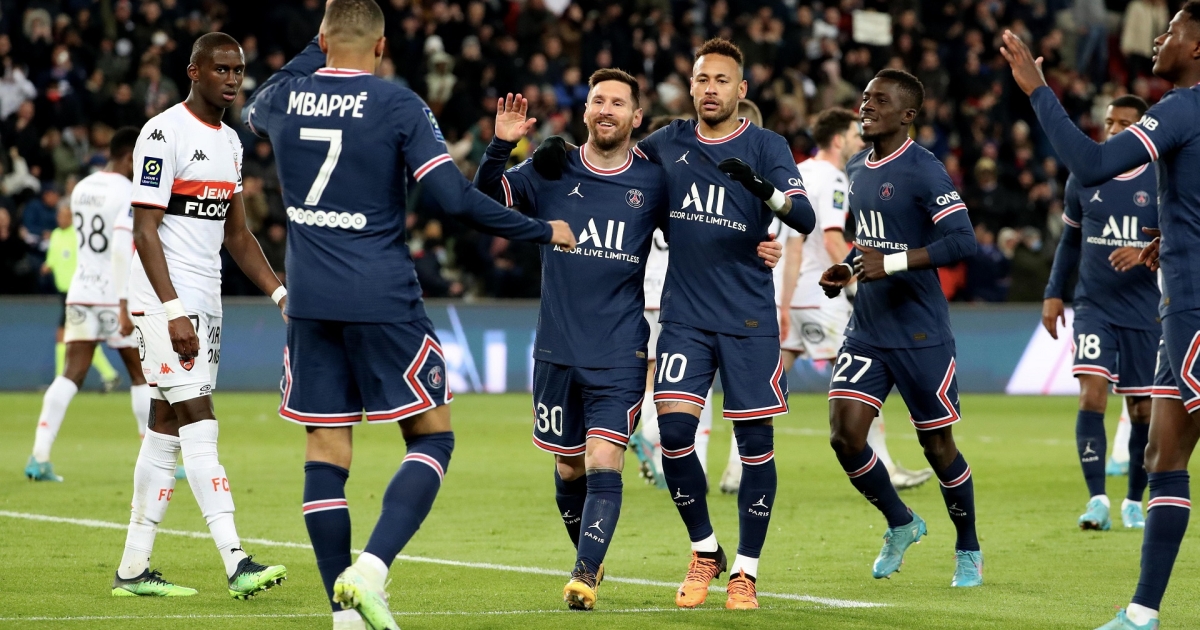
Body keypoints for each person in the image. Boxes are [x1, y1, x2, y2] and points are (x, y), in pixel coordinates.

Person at [242, 2, 575, 629]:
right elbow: (455, 200)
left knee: (326, 451)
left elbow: (256, 105)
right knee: (432, 437)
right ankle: (369, 571)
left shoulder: (282, 97)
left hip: (308, 302)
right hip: (382, 298)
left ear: (321, 40)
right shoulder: (399, 105)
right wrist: (540, 229)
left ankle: (341, 619)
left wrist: (317, 45)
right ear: (382, 46)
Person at [536, 37, 817, 610]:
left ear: (741, 89)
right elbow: (610, 158)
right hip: (685, 317)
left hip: (747, 318)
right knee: (676, 438)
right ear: (690, 87)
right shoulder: (666, 144)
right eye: (702, 79)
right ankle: (705, 549)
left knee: (755, 445)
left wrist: (764, 195)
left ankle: (745, 571)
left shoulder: (767, 146)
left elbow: (806, 216)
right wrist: (554, 153)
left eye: (722, 80)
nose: (710, 89)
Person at [476, 85, 781, 611]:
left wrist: (756, 243)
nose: (606, 110)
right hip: (556, 348)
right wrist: (500, 146)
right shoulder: (551, 168)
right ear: (586, 111)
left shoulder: (653, 179)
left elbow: (702, 225)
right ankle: (591, 555)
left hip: (620, 349)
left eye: (618, 103)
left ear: (637, 117)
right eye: (598, 101)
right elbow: (484, 201)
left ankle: (584, 574)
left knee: (603, 457)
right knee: (568, 467)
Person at [1001, 6, 1200, 626]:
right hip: (1174, 305)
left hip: (1192, 308)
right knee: (1162, 457)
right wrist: (1175, 239)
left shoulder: (1183, 107)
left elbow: (1090, 164)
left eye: (1172, 30)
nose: (1159, 39)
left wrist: (1039, 91)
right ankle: (1142, 612)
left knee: (1166, 455)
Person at [111, 32, 288, 600]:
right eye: (221, 69)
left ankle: (133, 569)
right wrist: (172, 311)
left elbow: (237, 235)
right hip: (167, 301)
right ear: (194, 71)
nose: (232, 79)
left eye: (238, 70)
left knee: (164, 429)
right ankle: (236, 561)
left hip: (206, 301)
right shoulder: (163, 133)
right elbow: (145, 231)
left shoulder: (231, 142)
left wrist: (281, 295)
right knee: (200, 422)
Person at [818, 69, 981, 588]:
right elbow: (869, 241)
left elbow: (962, 242)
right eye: (865, 97)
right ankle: (901, 521)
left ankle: (968, 547)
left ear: (907, 115)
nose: (865, 106)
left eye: (879, 100)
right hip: (868, 329)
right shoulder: (856, 166)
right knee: (845, 437)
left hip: (919, 333)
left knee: (938, 448)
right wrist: (847, 267)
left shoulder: (924, 170)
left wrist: (887, 264)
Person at [1041, 95, 1158, 531]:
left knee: (1142, 410)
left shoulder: (1161, 179)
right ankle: (1097, 501)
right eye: (1109, 122)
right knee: (1091, 394)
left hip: (1145, 310)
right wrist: (1054, 293)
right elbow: (1070, 241)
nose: (1113, 131)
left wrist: (1145, 250)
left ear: (1142, 128)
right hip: (1094, 306)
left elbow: (1183, 239)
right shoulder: (1085, 175)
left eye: (1124, 123)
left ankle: (1133, 502)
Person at [24, 127, 153, 483]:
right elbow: (120, 248)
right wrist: (125, 302)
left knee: (71, 373)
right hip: (114, 293)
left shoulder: (82, 187)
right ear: (130, 157)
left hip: (81, 290)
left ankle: (39, 456)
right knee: (140, 374)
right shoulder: (128, 192)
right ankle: (156, 461)